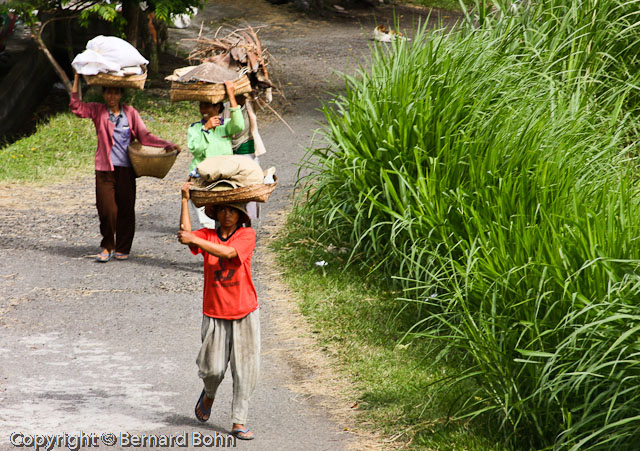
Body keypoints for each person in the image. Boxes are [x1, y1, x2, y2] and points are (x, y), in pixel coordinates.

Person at [177, 182, 260, 441]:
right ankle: (209, 392)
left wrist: (193, 239)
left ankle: (239, 421)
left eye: (232, 211)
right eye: (222, 210)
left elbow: (229, 252)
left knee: (244, 370)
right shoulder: (206, 235)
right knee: (212, 369)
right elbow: (185, 234)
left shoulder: (247, 236)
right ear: (216, 214)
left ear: (240, 216)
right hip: (214, 312)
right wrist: (184, 200)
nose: (226, 215)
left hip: (245, 311)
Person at [70, 73, 179, 262]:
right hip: (105, 169)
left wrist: (166, 144)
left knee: (126, 209)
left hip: (126, 169)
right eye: (109, 93)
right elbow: (77, 108)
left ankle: (122, 246)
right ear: (103, 94)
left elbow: (145, 136)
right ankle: (107, 245)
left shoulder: (130, 113)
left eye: (116, 93)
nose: (112, 97)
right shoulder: (98, 111)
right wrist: (77, 79)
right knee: (107, 210)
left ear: (121, 95)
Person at [187, 81, 244, 229]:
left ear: (217, 107)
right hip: (201, 178)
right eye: (201, 105)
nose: (203, 109)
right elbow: (196, 149)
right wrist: (206, 129)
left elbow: (239, 125)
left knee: (224, 215)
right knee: (205, 220)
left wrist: (231, 94)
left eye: (207, 105)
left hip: (223, 177)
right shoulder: (195, 128)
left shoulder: (225, 127)